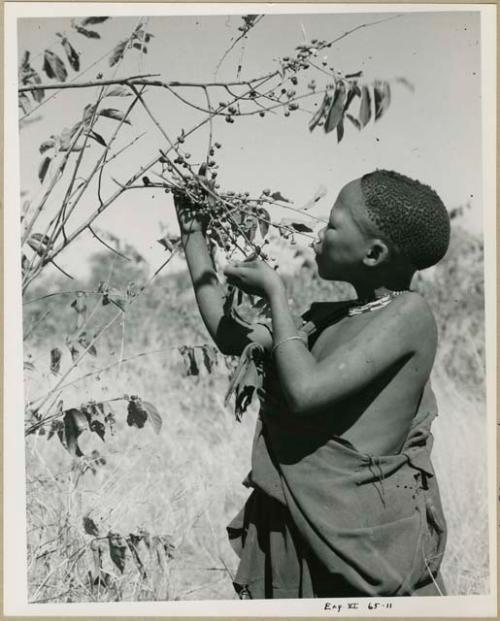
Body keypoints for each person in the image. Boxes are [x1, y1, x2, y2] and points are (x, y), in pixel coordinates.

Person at [173, 169, 450, 599]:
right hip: (297, 531)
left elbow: (306, 392)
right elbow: (230, 337)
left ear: (373, 253)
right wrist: (193, 233)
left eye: (334, 224)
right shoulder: (328, 319)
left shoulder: (409, 315)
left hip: (359, 548)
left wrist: (277, 296)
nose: (319, 233)